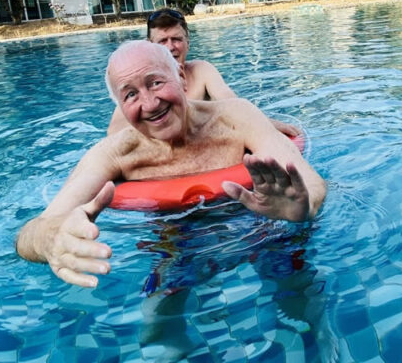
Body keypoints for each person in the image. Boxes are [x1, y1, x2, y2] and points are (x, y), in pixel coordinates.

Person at [17, 40, 327, 288]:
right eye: (130, 95)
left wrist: (303, 210)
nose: (150, 104)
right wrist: (49, 241)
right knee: (158, 326)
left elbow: (309, 180)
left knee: (298, 290)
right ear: (120, 108)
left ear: (180, 78)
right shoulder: (115, 153)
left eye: (155, 83)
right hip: (177, 240)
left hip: (260, 223)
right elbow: (33, 230)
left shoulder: (236, 117)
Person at [107, 8, 300, 137]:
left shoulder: (202, 71)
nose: (170, 47)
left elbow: (232, 103)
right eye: (162, 42)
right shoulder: (138, 89)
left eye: (176, 39)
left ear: (188, 42)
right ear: (150, 48)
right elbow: (113, 134)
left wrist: (266, 124)